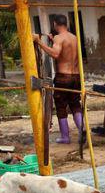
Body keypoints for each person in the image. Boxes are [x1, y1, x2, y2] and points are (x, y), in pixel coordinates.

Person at [33, 14, 84, 145]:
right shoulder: (74, 37)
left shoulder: (58, 38)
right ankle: (82, 129)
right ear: (66, 24)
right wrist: (52, 41)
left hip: (63, 76)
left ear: (55, 24)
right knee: (75, 104)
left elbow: (55, 54)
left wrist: (39, 42)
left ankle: (65, 137)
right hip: (76, 76)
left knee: (61, 106)